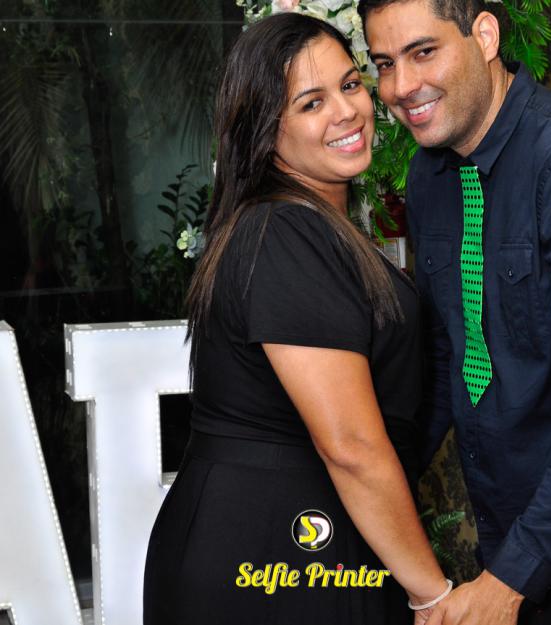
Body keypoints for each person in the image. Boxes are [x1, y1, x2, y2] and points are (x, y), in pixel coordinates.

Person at [143, 13, 451, 625]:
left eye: (351, 85)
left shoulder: (299, 224)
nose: (347, 111)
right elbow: (351, 446)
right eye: (312, 103)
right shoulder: (285, 232)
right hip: (274, 556)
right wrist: (433, 596)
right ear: (265, 129)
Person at [357, 0, 551, 623]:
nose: (401, 87)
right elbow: (449, 352)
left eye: (424, 52)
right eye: (385, 64)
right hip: (508, 545)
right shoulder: (429, 176)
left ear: (484, 36)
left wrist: (511, 579)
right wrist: (374, 485)